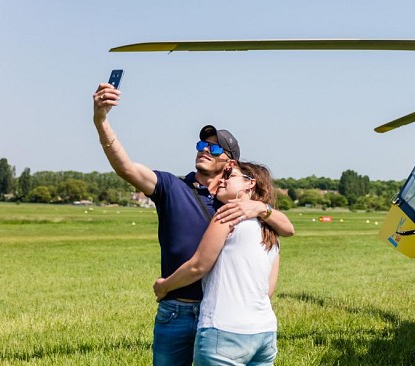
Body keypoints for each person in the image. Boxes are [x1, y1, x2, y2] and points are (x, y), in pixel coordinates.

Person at [92, 83, 295, 365]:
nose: (204, 149)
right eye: (201, 144)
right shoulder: (171, 187)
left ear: (230, 163)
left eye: (213, 147)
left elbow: (285, 228)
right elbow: (125, 167)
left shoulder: (238, 203)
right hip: (178, 311)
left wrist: (260, 207)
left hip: (222, 316)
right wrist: (101, 120)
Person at [153, 162, 281, 365]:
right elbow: (268, 290)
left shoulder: (226, 216)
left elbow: (198, 266)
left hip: (224, 332)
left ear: (249, 184)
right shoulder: (272, 231)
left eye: (230, 176)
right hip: (264, 333)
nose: (222, 180)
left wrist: (164, 286)